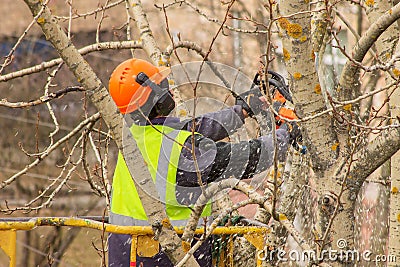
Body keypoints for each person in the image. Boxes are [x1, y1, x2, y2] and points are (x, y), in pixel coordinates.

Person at [107, 58, 298, 267]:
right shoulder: (181, 150)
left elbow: (194, 128)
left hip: (127, 254)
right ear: (157, 97)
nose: (169, 88)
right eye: (163, 85)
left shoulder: (135, 135)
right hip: (166, 257)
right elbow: (244, 158)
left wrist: (242, 110)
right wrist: (285, 135)